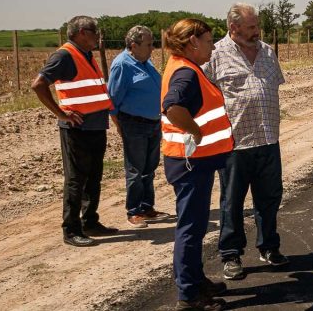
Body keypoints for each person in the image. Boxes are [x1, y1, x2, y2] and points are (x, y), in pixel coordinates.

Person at [202, 3, 289, 282]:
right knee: (232, 202)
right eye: (251, 27)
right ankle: (230, 254)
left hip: (267, 137)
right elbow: (203, 95)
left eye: (257, 26)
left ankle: (269, 247)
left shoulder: (267, 51)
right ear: (234, 27)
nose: (257, 31)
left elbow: (272, 87)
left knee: (270, 198)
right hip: (234, 143)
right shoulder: (215, 54)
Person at [161, 18, 233, 310]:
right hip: (191, 163)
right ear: (193, 42)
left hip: (191, 162)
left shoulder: (185, 67)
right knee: (191, 228)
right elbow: (173, 106)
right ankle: (189, 296)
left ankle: (194, 279)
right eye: (208, 40)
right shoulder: (186, 74)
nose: (212, 46)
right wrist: (196, 130)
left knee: (193, 225)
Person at [31, 15, 119, 247]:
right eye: (94, 31)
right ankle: (71, 230)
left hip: (95, 126)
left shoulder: (87, 55)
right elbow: (38, 84)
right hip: (77, 129)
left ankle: (90, 221)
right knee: (76, 179)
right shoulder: (64, 55)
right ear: (81, 33)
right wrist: (61, 113)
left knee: (94, 177)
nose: (98, 35)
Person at [108, 25, 171, 228]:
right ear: (134, 45)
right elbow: (113, 101)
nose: (152, 48)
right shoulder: (123, 65)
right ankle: (134, 211)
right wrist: (119, 125)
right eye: (149, 44)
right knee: (135, 169)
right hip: (134, 123)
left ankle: (147, 207)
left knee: (149, 168)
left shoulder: (144, 61)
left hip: (153, 122)